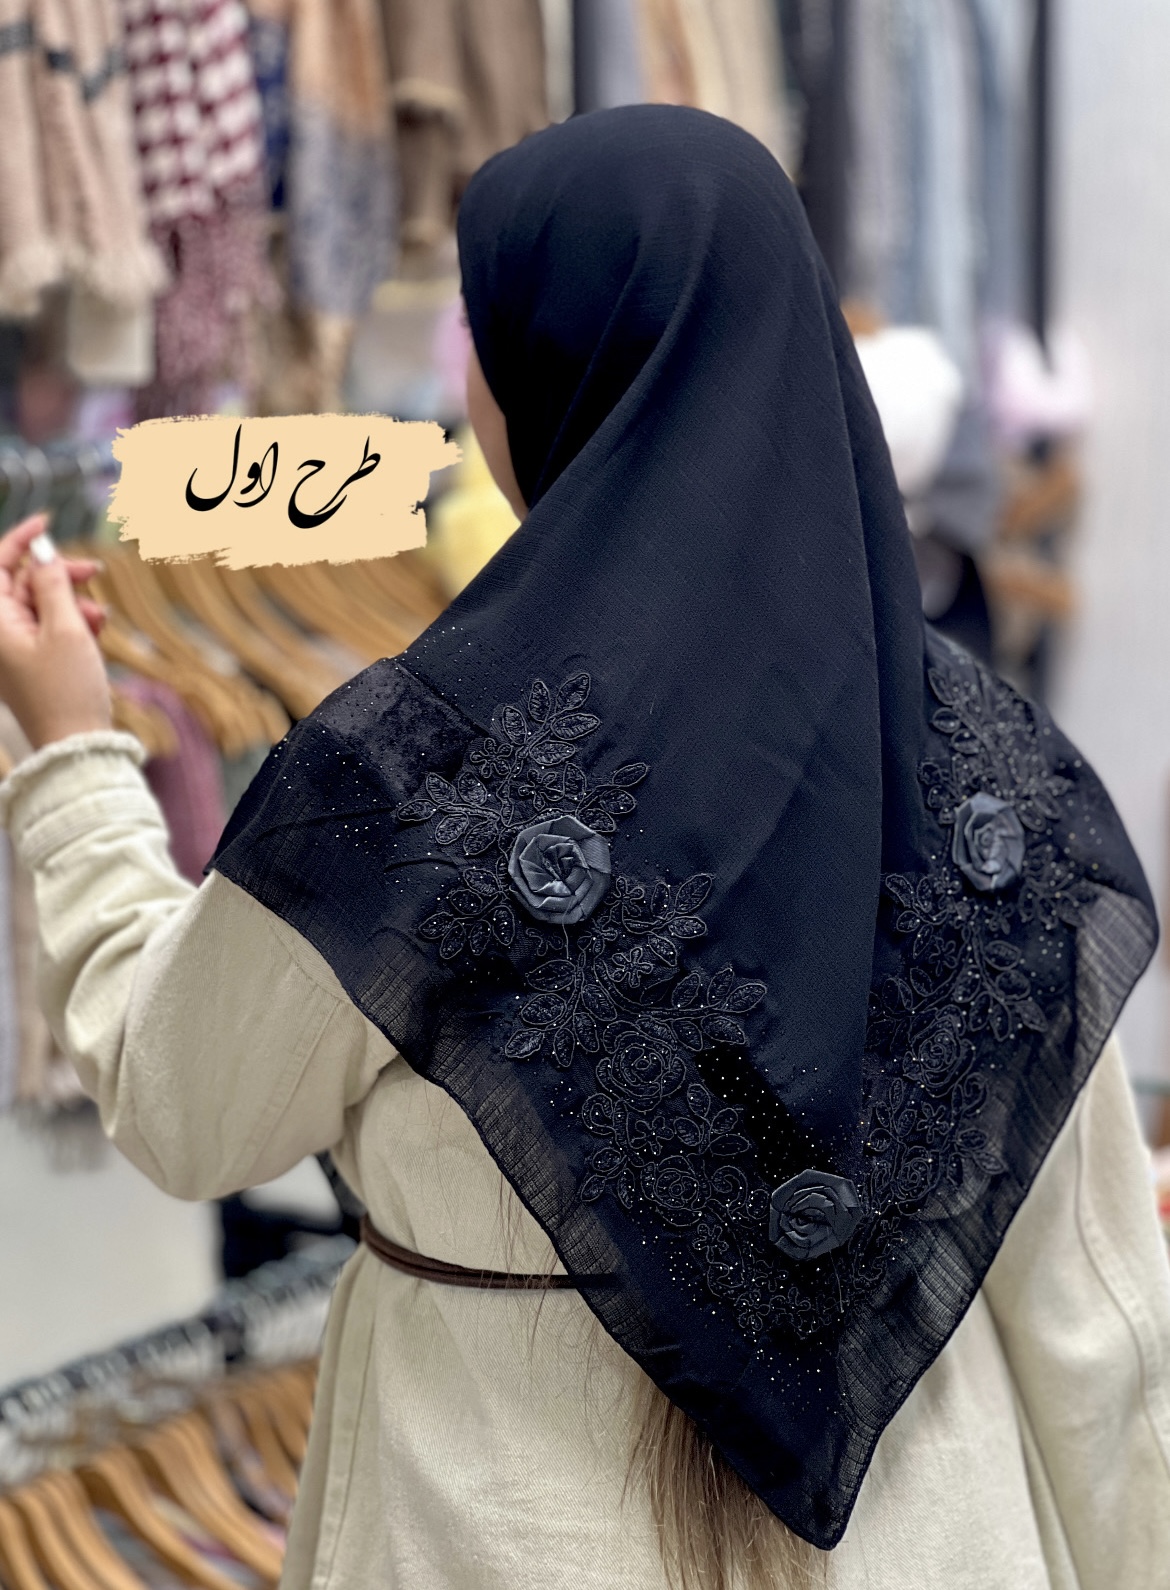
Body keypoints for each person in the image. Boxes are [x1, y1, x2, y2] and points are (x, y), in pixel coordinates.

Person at [0, 106, 1167, 1590]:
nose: (467, 383)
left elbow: (184, 1100)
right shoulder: (986, 784)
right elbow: (1103, 1329)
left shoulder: (418, 778)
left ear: (567, 370)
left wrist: (73, 755)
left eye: (482, 332)